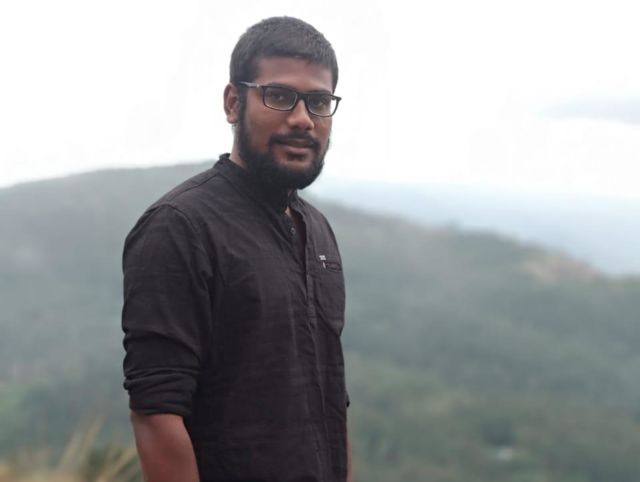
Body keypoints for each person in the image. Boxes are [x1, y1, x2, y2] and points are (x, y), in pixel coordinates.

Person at [121, 16, 351, 482]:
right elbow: (156, 413)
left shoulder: (317, 231)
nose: (302, 119)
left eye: (318, 101)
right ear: (233, 102)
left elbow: (332, 398)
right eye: (279, 96)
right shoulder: (180, 227)